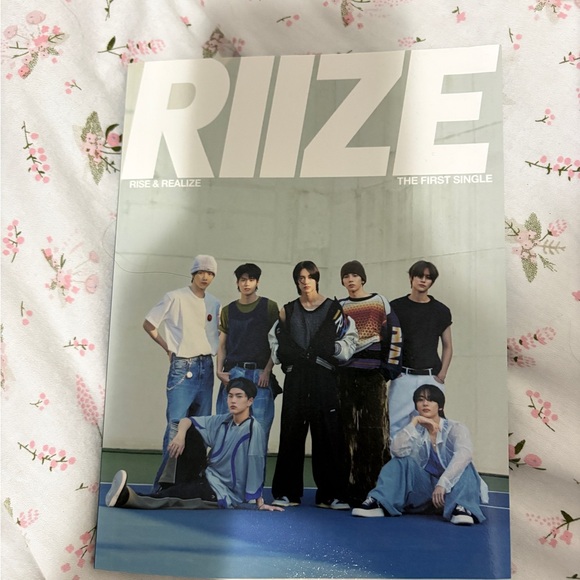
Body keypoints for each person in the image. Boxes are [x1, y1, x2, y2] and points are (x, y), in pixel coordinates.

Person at [105, 378, 283, 512]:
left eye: (239, 396)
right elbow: (187, 421)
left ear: (250, 401)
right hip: (207, 477)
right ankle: (168, 484)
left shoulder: (253, 429)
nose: (233, 401)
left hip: (221, 493)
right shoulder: (224, 420)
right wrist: (180, 436)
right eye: (230, 396)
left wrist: (258, 501)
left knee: (174, 497)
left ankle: (127, 498)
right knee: (189, 431)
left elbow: (256, 463)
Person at [268, 260, 358, 509]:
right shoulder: (287, 310)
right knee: (291, 433)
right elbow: (274, 340)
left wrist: (334, 349)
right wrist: (283, 356)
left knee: (328, 434)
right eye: (300, 277)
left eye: (309, 276)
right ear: (296, 281)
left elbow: (350, 339)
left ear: (316, 279)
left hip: (323, 377)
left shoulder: (334, 309)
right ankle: (287, 493)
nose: (305, 281)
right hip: (297, 377)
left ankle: (332, 495)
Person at [352, 384, 488, 525]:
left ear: (440, 406)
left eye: (431, 399)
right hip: (425, 494)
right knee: (401, 461)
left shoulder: (455, 428)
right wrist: (414, 422)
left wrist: (443, 483)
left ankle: (462, 508)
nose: (425, 403)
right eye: (420, 399)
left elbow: (464, 454)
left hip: (452, 491)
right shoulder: (415, 431)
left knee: (465, 464)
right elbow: (397, 451)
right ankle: (380, 502)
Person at [143, 254, 220, 490]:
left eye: (210, 273)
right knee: (176, 425)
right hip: (183, 366)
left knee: (201, 425)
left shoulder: (214, 303)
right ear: (193, 273)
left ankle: (193, 482)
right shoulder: (174, 297)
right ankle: (164, 484)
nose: (205, 277)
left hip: (206, 366)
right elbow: (149, 324)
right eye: (201, 272)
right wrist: (167, 347)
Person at [337, 260, 403, 506]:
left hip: (373, 376)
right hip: (345, 377)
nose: (350, 280)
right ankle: (349, 490)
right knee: (347, 433)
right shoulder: (339, 306)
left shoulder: (379, 302)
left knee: (373, 432)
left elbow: (395, 335)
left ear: (362, 278)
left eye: (354, 275)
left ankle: (375, 490)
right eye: (346, 276)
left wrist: (388, 370)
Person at [215, 263, 280, 447]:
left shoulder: (269, 307)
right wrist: (219, 371)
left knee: (259, 432)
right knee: (227, 431)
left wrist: (267, 370)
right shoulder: (228, 310)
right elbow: (222, 344)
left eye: (251, 279)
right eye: (243, 280)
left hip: (260, 376)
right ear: (237, 283)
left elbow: (276, 342)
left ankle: (254, 468)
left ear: (257, 282)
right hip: (234, 373)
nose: (247, 283)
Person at [388, 260, 453, 438]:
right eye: (419, 276)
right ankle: (398, 458)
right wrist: (393, 371)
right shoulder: (396, 307)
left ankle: (429, 458)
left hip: (431, 377)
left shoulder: (441, 310)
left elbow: (448, 345)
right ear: (411, 278)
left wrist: (442, 374)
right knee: (396, 426)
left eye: (428, 277)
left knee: (432, 427)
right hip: (403, 376)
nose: (423, 280)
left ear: (432, 281)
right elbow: (388, 341)